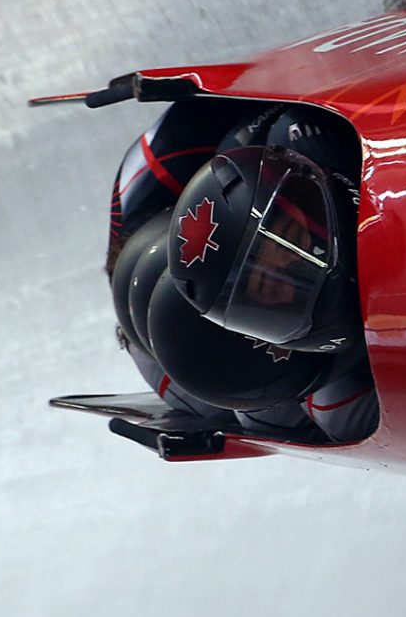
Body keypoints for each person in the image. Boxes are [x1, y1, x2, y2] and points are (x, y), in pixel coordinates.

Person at [106, 102, 379, 442]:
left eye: (290, 239)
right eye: (274, 289)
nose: (297, 263)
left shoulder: (166, 169)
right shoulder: (224, 387)